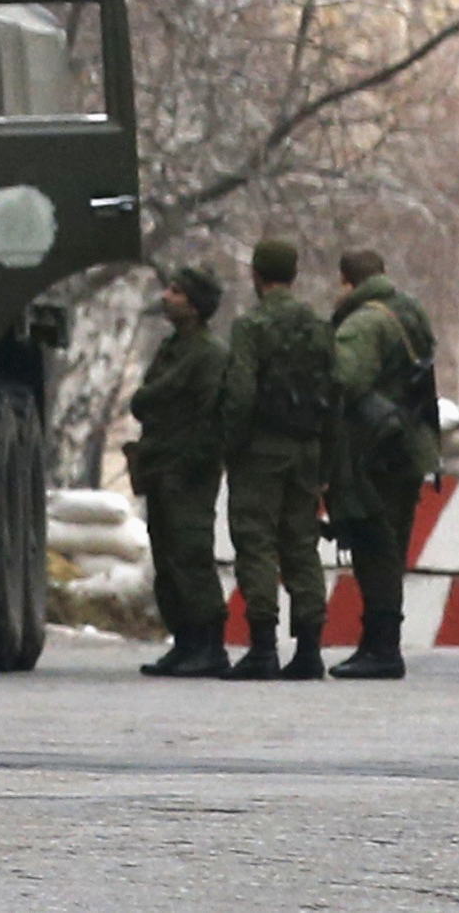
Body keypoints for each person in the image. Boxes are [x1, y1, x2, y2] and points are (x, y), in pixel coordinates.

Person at [220, 238, 334, 680]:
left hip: (261, 451)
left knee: (257, 543)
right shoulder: (317, 326)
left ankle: (263, 648)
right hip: (307, 448)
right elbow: (334, 390)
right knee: (301, 544)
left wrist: (231, 443)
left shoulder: (252, 326)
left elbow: (241, 391)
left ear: (256, 274)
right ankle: (309, 649)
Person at [327, 250, 439, 681]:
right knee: (391, 545)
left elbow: (346, 380)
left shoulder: (363, 323)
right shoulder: (409, 312)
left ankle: (381, 647)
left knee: (376, 548)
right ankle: (379, 643)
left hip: (376, 451)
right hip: (409, 446)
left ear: (346, 281)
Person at [129, 264, 230, 679]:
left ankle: (209, 645)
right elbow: (144, 401)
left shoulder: (209, 355)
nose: (167, 297)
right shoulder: (173, 349)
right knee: (166, 557)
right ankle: (185, 641)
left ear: (195, 304)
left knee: (190, 557)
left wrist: (191, 465)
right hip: (161, 464)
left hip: (188, 471)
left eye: (176, 291)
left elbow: (212, 418)